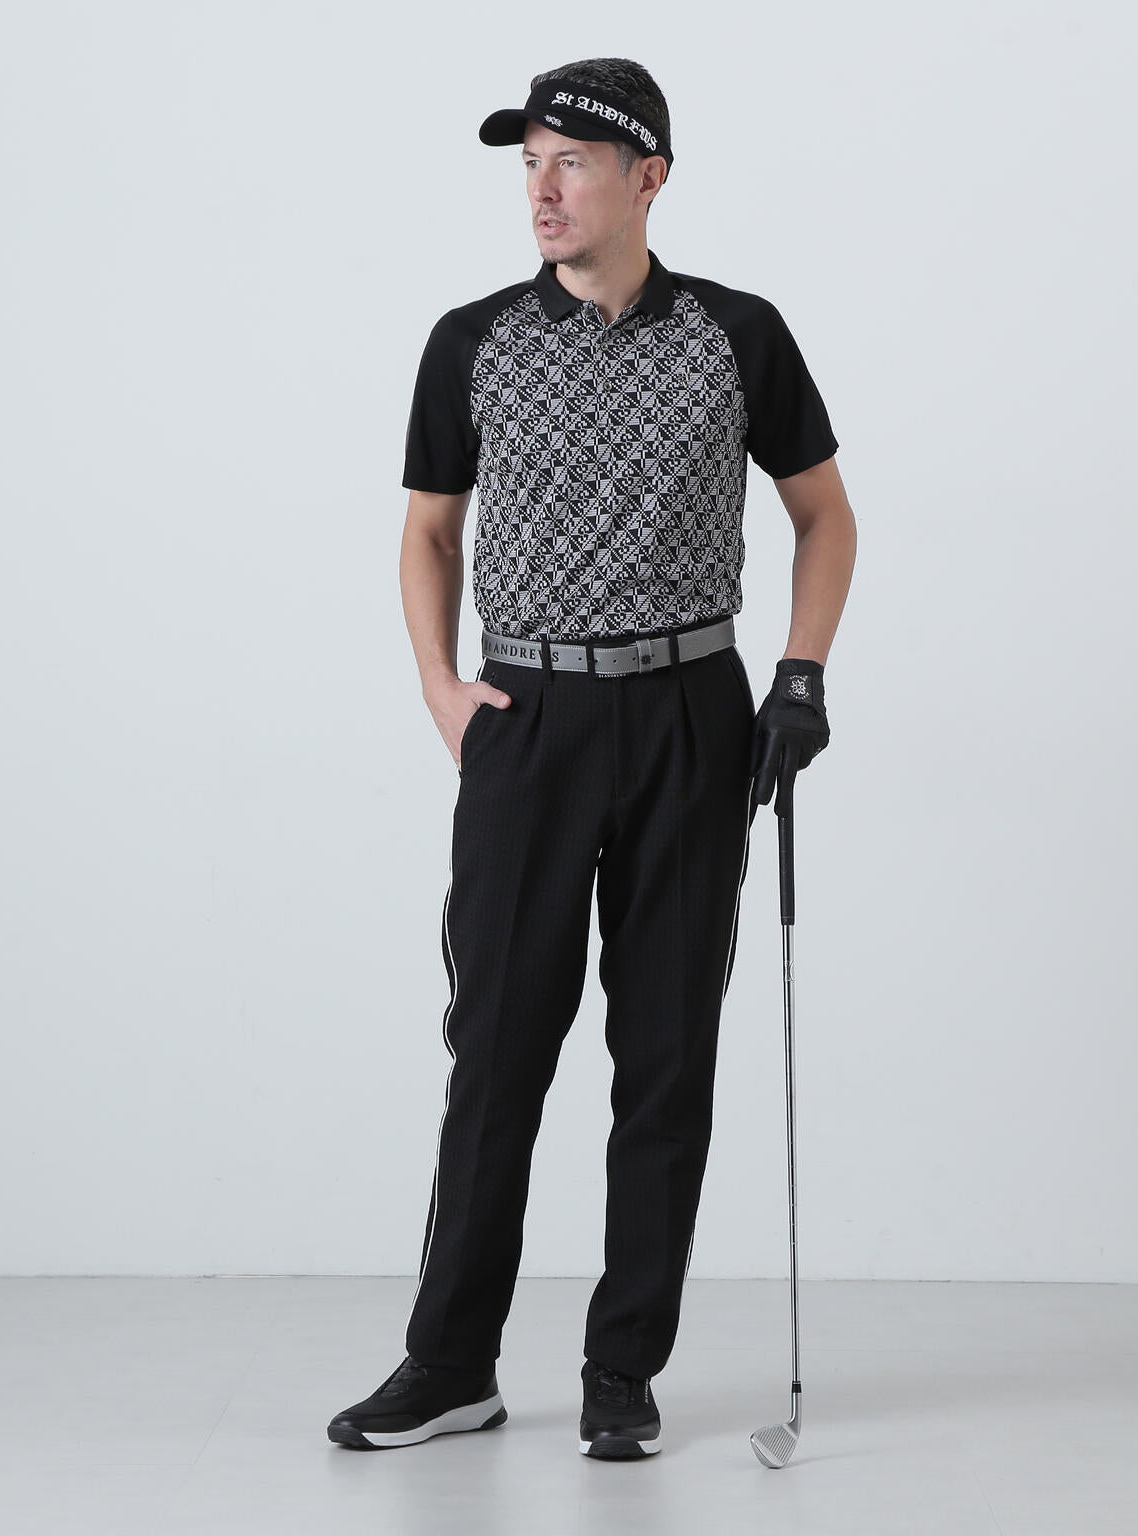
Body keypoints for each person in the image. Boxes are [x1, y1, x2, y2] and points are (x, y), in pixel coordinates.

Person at [328, 57, 856, 1460]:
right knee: (496, 1049)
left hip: (691, 714)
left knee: (665, 1056)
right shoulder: (473, 341)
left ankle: (624, 1370)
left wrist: (800, 672)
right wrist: (441, 687)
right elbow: (429, 527)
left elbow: (825, 515)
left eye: (571, 160)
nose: (543, 190)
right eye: (529, 164)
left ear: (648, 176)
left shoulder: (739, 335)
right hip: (529, 718)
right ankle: (452, 1365)